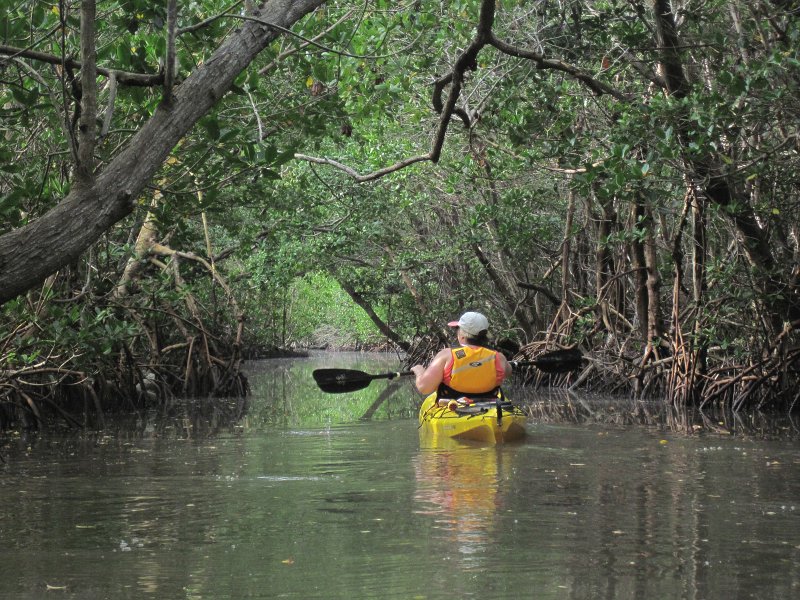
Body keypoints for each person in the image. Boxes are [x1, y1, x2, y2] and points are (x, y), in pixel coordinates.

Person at [410, 311, 511, 400]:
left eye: (458, 329)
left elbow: (424, 388)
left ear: (462, 336)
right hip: (490, 406)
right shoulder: (499, 357)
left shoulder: (446, 355)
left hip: (454, 407)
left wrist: (419, 371)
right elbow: (508, 372)